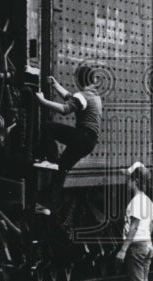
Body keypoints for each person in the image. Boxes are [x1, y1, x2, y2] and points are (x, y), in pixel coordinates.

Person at [32, 65, 102, 213]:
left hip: (83, 136)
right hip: (90, 142)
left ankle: (50, 159)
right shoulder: (94, 96)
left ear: (79, 80)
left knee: (47, 127)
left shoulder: (83, 96)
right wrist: (55, 84)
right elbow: (70, 97)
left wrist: (42, 101)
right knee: (62, 168)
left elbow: (65, 109)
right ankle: (47, 205)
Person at [116, 161, 153, 281]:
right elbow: (151, 226)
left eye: (129, 179)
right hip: (146, 244)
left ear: (135, 181)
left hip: (137, 247)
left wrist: (123, 249)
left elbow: (133, 227)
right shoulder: (148, 202)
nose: (126, 182)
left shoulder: (137, 202)